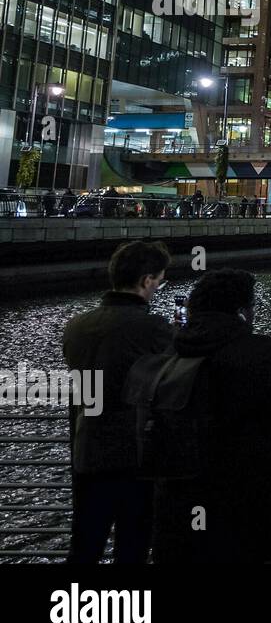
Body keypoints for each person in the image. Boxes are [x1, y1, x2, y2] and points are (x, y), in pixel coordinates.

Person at [150, 269, 271, 563]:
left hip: (182, 504)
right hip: (251, 506)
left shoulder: (171, 352)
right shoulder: (262, 351)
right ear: (242, 311)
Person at [61, 241, 174, 563]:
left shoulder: (76, 326)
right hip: (134, 453)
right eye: (160, 280)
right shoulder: (154, 328)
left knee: (85, 542)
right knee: (133, 545)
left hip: (87, 447)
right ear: (146, 281)